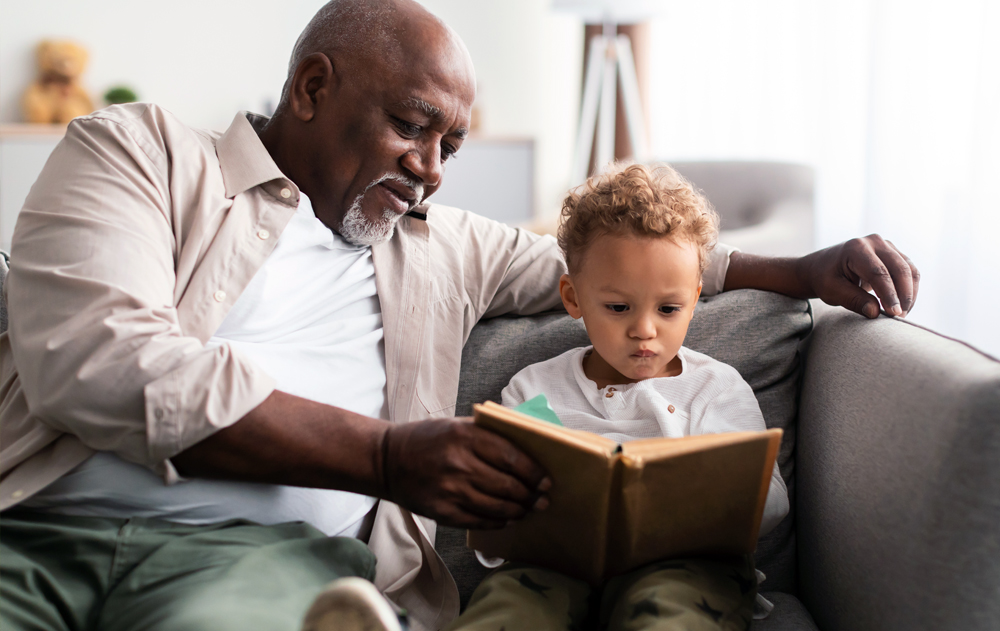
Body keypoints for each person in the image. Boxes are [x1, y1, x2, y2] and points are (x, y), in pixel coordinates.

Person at [0, 0, 919, 630]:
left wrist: (799, 266)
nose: (433, 167)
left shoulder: (443, 244)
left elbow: (616, 261)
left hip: (260, 559)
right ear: (313, 88)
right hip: (37, 525)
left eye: (451, 145)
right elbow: (99, 358)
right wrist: (387, 455)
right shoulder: (142, 152)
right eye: (412, 126)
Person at [450, 162, 786, 631]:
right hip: (556, 568)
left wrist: (697, 493)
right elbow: (498, 513)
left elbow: (770, 501)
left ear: (693, 299)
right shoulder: (532, 388)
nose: (644, 330)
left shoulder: (716, 386)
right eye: (618, 307)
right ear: (573, 297)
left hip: (687, 567)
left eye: (669, 309)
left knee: (668, 615)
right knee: (510, 609)